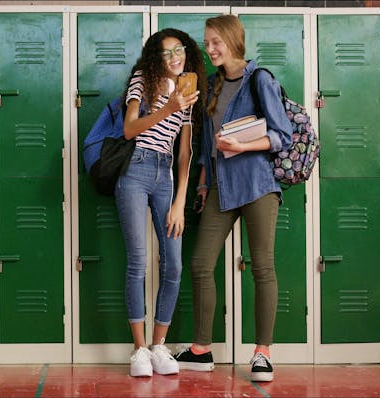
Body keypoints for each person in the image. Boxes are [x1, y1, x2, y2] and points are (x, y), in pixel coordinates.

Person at [172, 15, 292, 383]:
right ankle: (201, 349)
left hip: (257, 184)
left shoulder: (260, 80)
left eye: (215, 42)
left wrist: (241, 145)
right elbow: (207, 145)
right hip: (221, 188)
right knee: (200, 264)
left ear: (232, 39)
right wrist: (204, 183)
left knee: (262, 268)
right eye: (206, 44)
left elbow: (281, 136)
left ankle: (262, 354)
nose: (209, 50)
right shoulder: (211, 85)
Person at [117, 28, 204, 377]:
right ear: (156, 57)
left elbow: (184, 152)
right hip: (136, 169)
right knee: (138, 261)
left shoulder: (187, 89)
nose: (174, 57)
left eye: (178, 50)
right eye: (166, 53)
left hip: (165, 175)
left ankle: (158, 346)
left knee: (174, 265)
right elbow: (129, 128)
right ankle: (138, 351)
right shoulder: (143, 80)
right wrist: (169, 107)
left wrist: (180, 200)